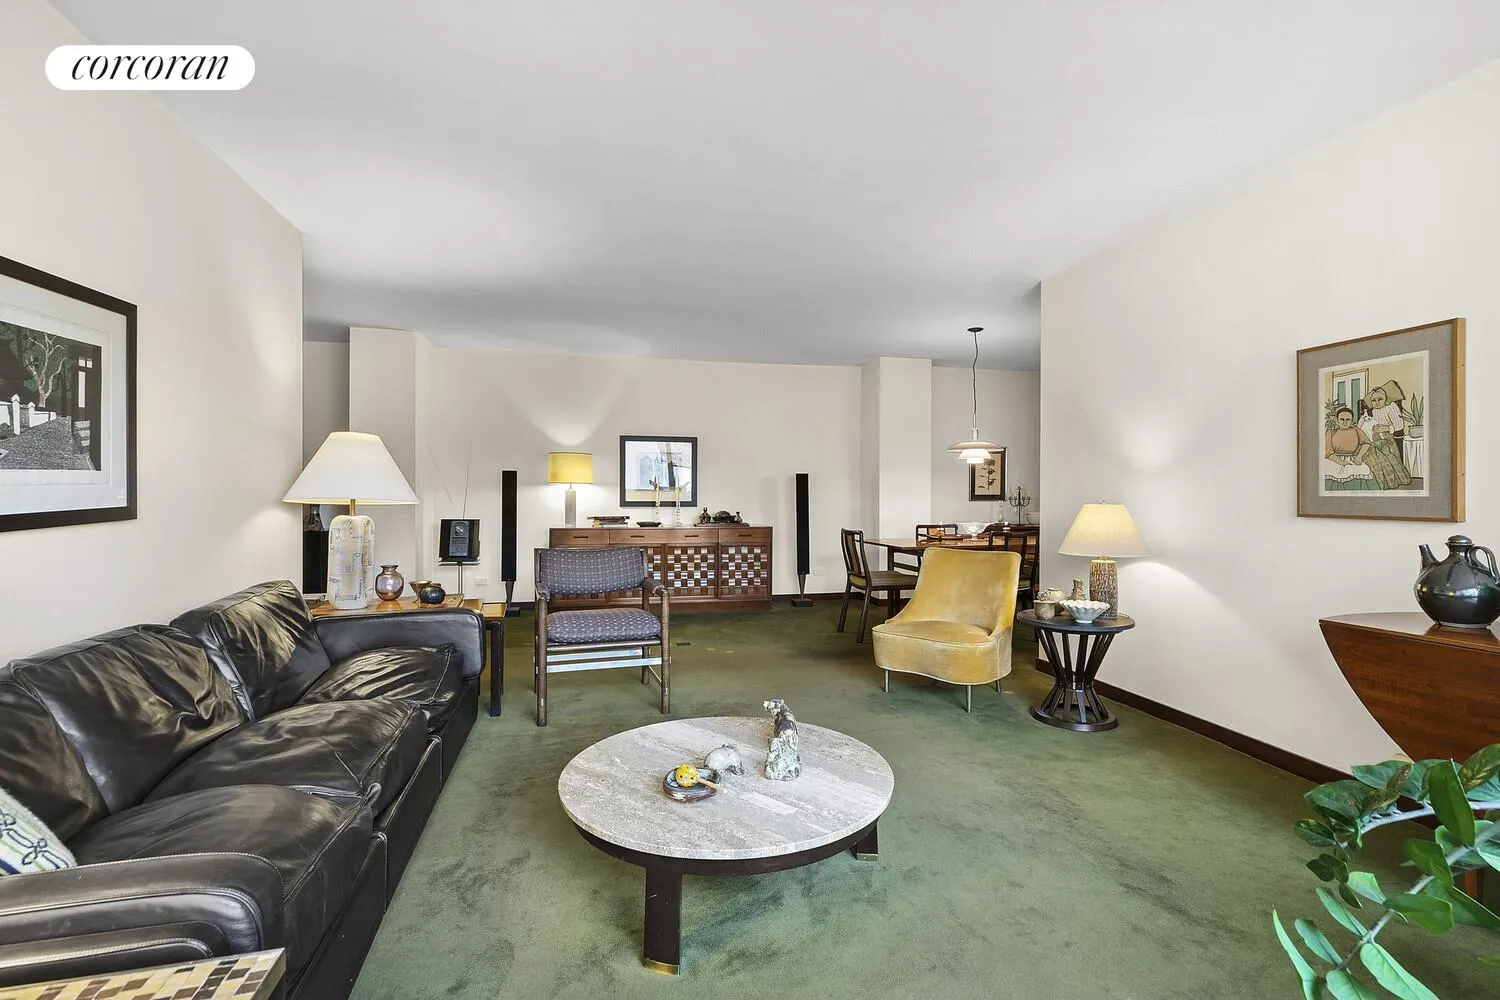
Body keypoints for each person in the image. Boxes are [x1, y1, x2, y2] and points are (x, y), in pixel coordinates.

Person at [1358, 382, 1412, 489]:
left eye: (1380, 399)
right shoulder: (1370, 411)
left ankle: (1391, 481)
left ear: (1385, 398)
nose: (1377, 403)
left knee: (1385, 454)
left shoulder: (1391, 407)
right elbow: (1359, 427)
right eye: (1374, 401)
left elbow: (1399, 426)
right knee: (1369, 454)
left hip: (1388, 437)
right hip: (1371, 437)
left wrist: (1385, 428)